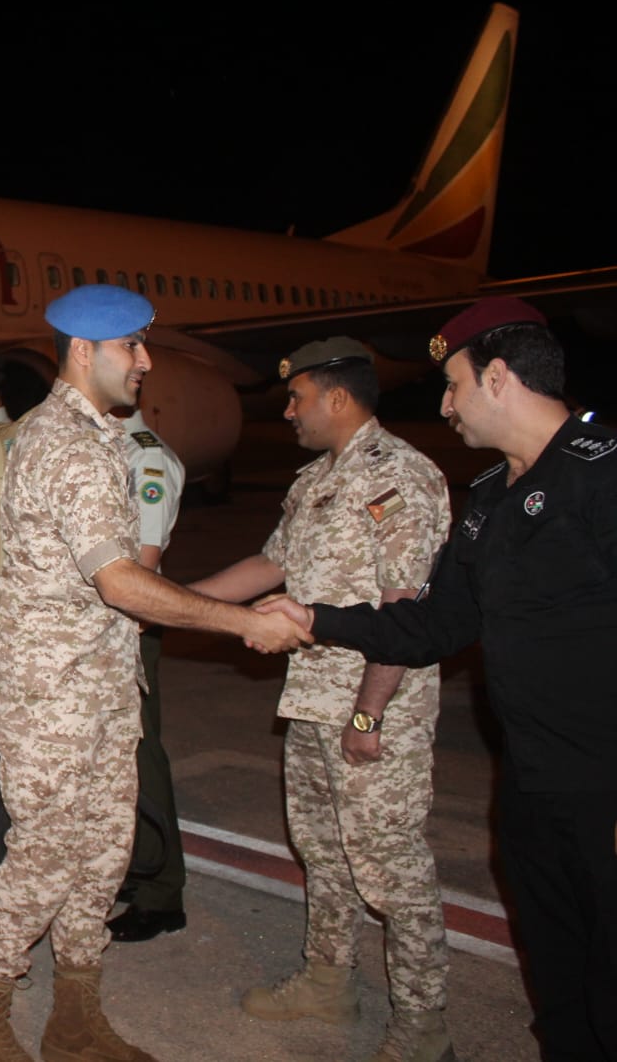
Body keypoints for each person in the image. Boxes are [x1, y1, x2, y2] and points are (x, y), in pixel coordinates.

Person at [0, 285, 310, 1062]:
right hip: (52, 692)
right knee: (46, 854)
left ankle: (75, 1019)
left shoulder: (103, 436)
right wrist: (242, 621)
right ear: (83, 351)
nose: (145, 360)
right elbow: (118, 582)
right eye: (130, 346)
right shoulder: (67, 445)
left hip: (103, 683)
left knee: (104, 851)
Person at [257, 299, 617, 1062]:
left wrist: (365, 713)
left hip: (602, 778)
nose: (444, 405)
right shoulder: (490, 497)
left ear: (497, 377)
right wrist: (314, 618)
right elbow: (431, 624)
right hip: (530, 774)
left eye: (452, 386)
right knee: (556, 964)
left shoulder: (603, 473)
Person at [189, 336, 453, 1061]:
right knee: (323, 852)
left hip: (375, 704)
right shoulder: (315, 480)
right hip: (312, 698)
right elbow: (269, 564)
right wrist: (176, 604)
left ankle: (422, 1023)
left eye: (296, 398)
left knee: (390, 867)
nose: (288, 411)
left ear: (337, 398)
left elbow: (405, 609)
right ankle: (328, 980)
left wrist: (368, 713)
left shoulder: (399, 475)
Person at [105, 403, 190, 945]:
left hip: (132, 625)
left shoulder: (145, 459)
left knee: (141, 754)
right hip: (109, 624)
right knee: (116, 756)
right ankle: (136, 868)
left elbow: (145, 561)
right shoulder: (107, 449)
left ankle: (162, 892)